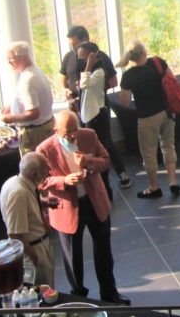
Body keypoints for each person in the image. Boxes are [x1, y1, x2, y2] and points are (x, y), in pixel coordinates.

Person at [37, 110, 130, 305]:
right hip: (67, 209)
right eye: (67, 131)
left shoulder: (89, 136)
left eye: (75, 129)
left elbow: (106, 160)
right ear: (55, 130)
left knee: (104, 250)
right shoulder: (44, 150)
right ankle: (78, 297)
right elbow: (40, 181)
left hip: (95, 200)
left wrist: (89, 162)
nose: (73, 135)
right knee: (73, 258)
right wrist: (64, 180)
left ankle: (109, 292)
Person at [117, 41, 179, 198]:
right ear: (144, 52)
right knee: (168, 146)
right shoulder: (158, 63)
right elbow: (172, 81)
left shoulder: (128, 75)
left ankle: (154, 187)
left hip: (147, 117)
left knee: (149, 152)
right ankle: (173, 182)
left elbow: (125, 102)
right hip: (166, 111)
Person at [76, 42, 130, 189]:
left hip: (97, 113)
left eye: (83, 57)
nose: (81, 60)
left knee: (105, 143)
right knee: (93, 145)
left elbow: (84, 84)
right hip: (89, 112)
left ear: (92, 55)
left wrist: (88, 65)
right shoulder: (90, 71)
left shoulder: (99, 71)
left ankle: (120, 174)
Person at [0, 152, 54, 287]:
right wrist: (33, 257)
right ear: (34, 174)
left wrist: (44, 203)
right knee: (42, 295)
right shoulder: (19, 193)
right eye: (45, 169)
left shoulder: (18, 182)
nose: (49, 171)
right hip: (33, 249)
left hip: (38, 245)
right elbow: (15, 234)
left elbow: (26, 207)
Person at [0, 41, 54, 155]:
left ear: (23, 57)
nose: (8, 62)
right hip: (45, 127)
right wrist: (14, 106)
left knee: (34, 168)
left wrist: (11, 118)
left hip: (34, 134)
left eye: (11, 58)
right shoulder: (36, 72)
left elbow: (33, 113)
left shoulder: (28, 80)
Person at [60, 26, 118, 113]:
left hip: (97, 107)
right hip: (75, 107)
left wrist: (95, 88)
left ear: (85, 39)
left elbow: (114, 81)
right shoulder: (68, 56)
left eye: (75, 44)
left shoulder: (101, 57)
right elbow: (63, 76)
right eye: (71, 45)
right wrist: (65, 89)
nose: (73, 47)